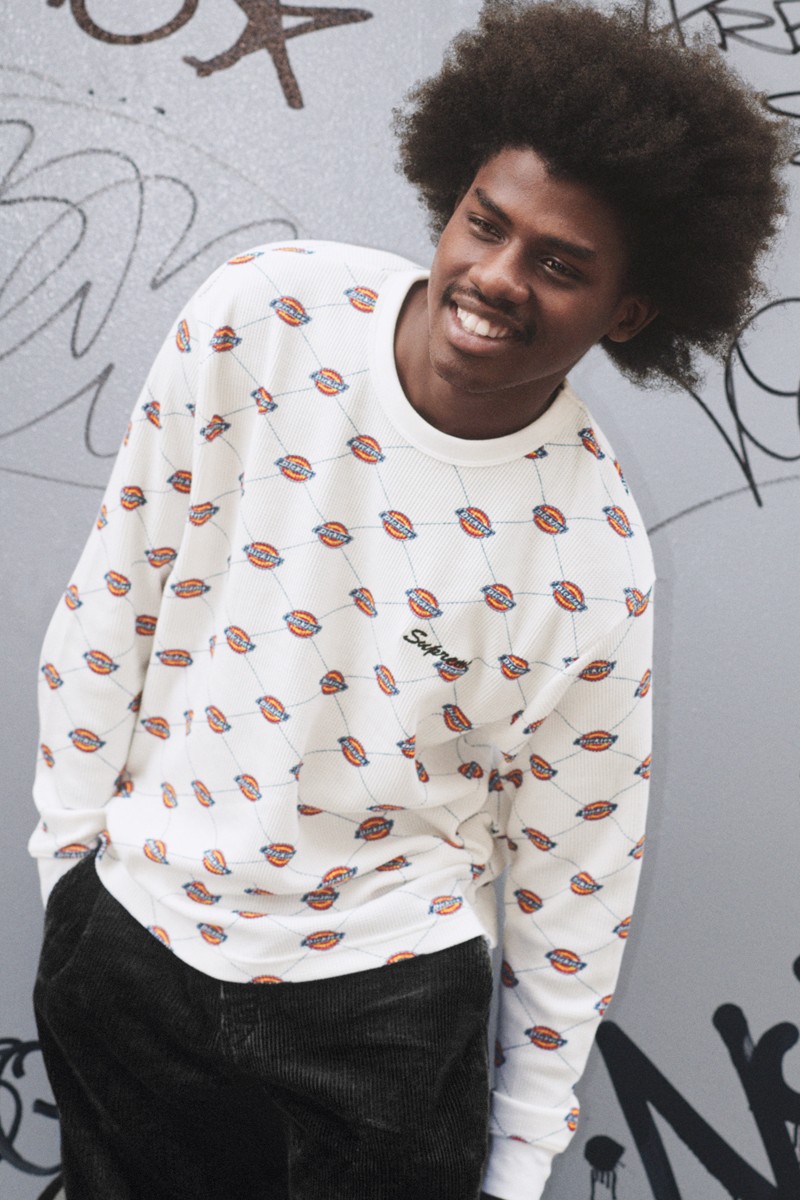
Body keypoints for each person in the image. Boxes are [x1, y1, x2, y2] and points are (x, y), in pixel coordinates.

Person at [30, 3, 788, 1198]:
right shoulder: (263, 318)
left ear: (627, 313)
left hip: (382, 1014)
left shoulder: (592, 555)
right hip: (134, 946)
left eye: (558, 264)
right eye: (484, 223)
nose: (492, 277)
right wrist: (70, 879)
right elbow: (112, 598)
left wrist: (518, 1160)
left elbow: (575, 871)